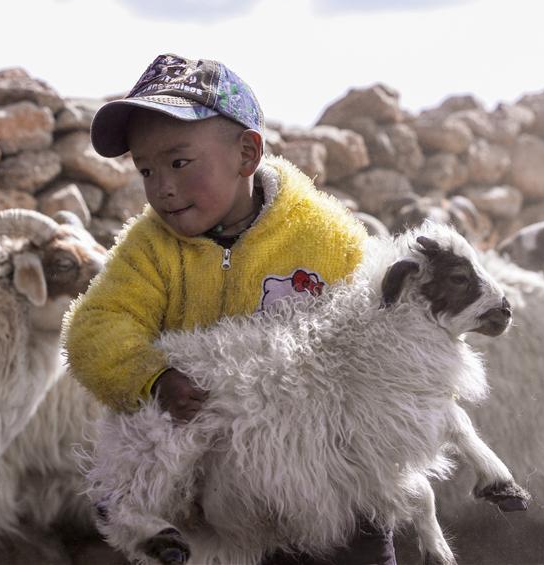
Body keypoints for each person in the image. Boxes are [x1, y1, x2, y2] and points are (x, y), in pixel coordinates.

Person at [62, 54, 396, 565]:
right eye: (146, 170)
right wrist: (151, 376)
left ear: (247, 153)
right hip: (218, 496)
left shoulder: (325, 237)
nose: (162, 187)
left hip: (330, 481)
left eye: (178, 163)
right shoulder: (149, 250)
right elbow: (96, 325)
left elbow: (375, 330)